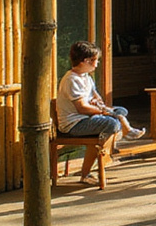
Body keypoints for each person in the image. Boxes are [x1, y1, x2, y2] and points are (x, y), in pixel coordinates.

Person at [56, 41, 146, 186]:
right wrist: (104, 112)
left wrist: (102, 106)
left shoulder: (86, 77)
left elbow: (96, 97)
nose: (97, 64)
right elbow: (82, 108)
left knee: (121, 111)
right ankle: (112, 142)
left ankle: (116, 136)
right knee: (112, 122)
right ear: (85, 61)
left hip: (89, 118)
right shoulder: (71, 80)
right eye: (95, 60)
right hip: (75, 123)